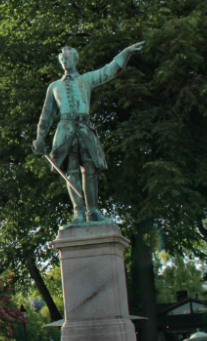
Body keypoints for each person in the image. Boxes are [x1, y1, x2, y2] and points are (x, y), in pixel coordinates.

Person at [32, 41, 144, 223]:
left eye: (67, 58)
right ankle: (78, 212)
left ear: (75, 60)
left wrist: (126, 53)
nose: (64, 61)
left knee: (90, 169)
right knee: (71, 170)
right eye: (62, 59)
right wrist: (40, 138)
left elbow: (108, 71)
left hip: (85, 128)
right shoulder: (54, 86)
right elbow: (47, 114)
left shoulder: (86, 79)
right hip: (65, 130)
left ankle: (92, 210)